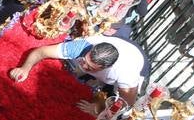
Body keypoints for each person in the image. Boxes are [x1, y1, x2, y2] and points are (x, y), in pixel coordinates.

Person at [8, 34, 146, 104]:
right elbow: (41, 52)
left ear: (106, 68)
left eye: (90, 67)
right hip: (117, 44)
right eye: (84, 61)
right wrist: (25, 68)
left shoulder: (126, 75)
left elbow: (127, 103)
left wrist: (99, 107)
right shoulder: (83, 46)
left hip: (138, 58)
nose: (84, 66)